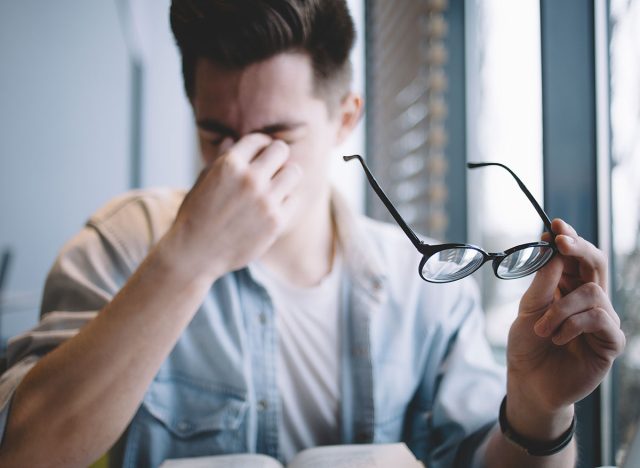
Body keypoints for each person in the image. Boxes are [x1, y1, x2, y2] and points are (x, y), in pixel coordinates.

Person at [0, 1, 625, 467]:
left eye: (277, 137)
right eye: (216, 134)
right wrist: (187, 261)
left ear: (345, 117)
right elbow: (24, 452)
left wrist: (540, 410)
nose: (240, 169)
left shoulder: (426, 293)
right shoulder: (118, 247)